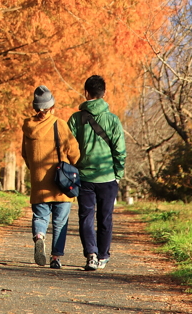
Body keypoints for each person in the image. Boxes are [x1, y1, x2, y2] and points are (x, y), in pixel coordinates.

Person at [68, 74, 127, 271]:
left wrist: (74, 167)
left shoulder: (76, 119)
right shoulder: (112, 120)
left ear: (86, 93)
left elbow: (68, 148)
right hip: (108, 177)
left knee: (86, 217)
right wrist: (118, 173)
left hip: (84, 176)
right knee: (105, 218)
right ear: (103, 93)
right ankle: (103, 256)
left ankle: (91, 255)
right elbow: (120, 149)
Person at [21, 85, 80, 269]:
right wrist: (75, 166)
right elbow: (74, 152)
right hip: (61, 183)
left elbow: (25, 154)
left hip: (39, 183)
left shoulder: (28, 127)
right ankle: (55, 258)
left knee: (40, 217)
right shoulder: (59, 125)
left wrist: (34, 170)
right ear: (51, 107)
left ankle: (39, 236)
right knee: (60, 222)